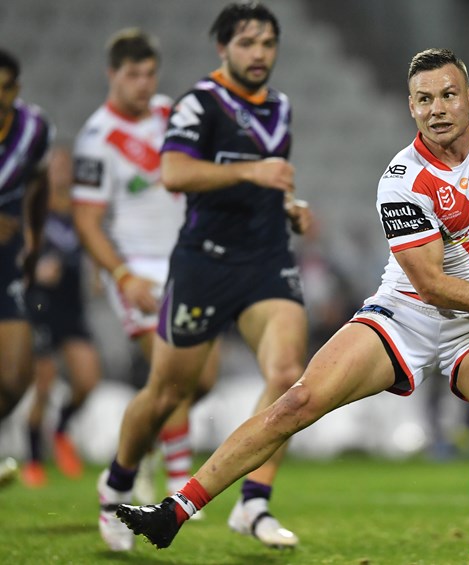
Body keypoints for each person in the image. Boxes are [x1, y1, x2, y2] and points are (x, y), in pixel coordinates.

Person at [114, 46, 469, 565]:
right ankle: (175, 511)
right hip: (407, 313)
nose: (437, 109)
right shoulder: (402, 180)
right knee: (298, 402)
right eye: (424, 100)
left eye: (448, 95)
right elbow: (432, 286)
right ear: (411, 107)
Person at [95, 3, 311, 553]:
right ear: (223, 48)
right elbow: (173, 172)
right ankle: (115, 484)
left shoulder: (281, 106)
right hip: (205, 263)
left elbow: (272, 179)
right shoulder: (200, 103)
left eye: (267, 43)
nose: (259, 53)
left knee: (288, 375)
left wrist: (289, 206)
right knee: (168, 392)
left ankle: (253, 502)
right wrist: (251, 170)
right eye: (247, 43)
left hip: (266, 260)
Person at [72, 28, 218, 528]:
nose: (143, 84)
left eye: (149, 74)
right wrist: (120, 274)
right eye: (133, 75)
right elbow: (87, 221)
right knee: (170, 372)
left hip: (185, 261)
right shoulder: (96, 140)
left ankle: (143, 443)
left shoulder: (167, 114)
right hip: (136, 268)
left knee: (203, 378)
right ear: (112, 75)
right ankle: (178, 484)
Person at [21, 146, 102, 488]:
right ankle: (33, 460)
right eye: (55, 166)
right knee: (44, 384)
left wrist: (98, 271)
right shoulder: (34, 209)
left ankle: (61, 430)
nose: (61, 172)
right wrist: (34, 270)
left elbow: (93, 243)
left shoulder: (79, 212)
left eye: (66, 166)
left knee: (87, 380)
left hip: (72, 304)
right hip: (40, 304)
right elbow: (17, 254)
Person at [0, 47, 52, 443]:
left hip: (7, 258)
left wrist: (35, 232)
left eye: (5, 88)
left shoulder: (34, 127)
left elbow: (39, 178)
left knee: (16, 378)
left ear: (16, 88)